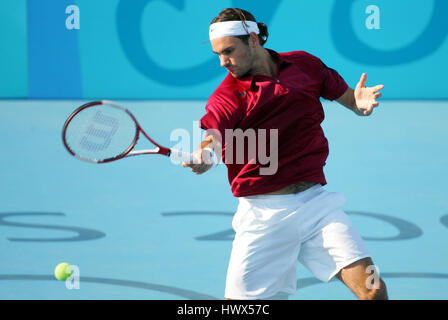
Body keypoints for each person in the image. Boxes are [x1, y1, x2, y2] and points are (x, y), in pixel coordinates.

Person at [183, 8, 388, 300]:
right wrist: (206, 153)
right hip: (263, 216)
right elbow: (214, 134)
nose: (222, 62)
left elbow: (349, 99)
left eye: (229, 51)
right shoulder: (228, 94)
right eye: (218, 54)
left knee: (374, 291)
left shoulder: (305, 65)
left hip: (317, 205)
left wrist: (358, 102)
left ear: (254, 39)